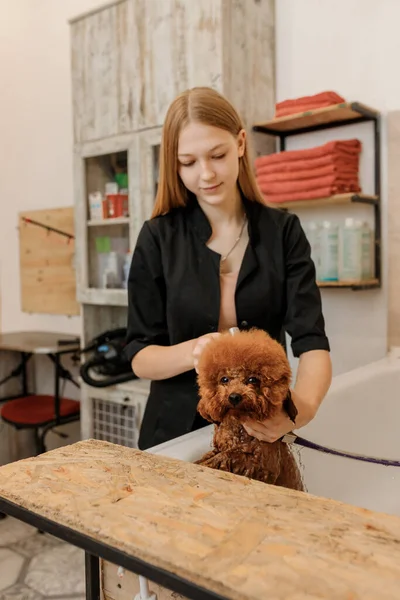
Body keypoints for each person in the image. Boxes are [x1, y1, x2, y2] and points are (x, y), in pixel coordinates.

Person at [125, 86, 332, 451]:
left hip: (261, 430)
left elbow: (312, 342)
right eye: (188, 162)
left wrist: (302, 408)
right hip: (174, 435)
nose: (206, 174)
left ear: (239, 143)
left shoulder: (283, 232)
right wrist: (196, 351)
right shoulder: (158, 237)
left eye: (217, 155)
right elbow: (141, 355)